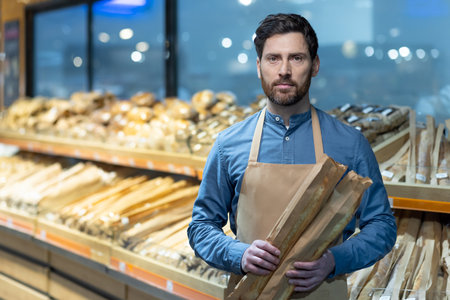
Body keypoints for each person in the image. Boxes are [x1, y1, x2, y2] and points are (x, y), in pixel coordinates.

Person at [188, 13, 397, 298]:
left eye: (296, 58)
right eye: (273, 58)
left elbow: (382, 226)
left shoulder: (350, 143)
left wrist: (334, 261)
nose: (284, 70)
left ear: (315, 66)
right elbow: (201, 226)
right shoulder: (229, 144)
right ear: (259, 67)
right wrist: (239, 254)